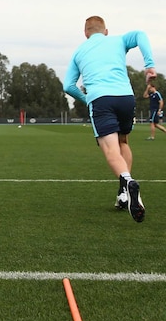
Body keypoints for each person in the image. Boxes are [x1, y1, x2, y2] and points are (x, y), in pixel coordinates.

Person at [63, 15, 155, 222]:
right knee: (123, 141)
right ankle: (123, 193)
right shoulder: (118, 40)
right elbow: (140, 34)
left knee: (110, 149)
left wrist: (86, 98)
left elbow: (67, 85)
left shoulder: (79, 51)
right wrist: (149, 65)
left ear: (86, 33)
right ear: (106, 31)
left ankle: (128, 183)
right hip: (126, 97)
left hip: (101, 99)